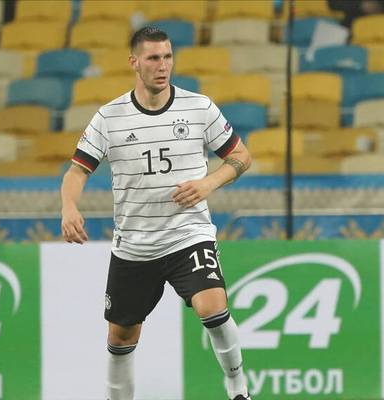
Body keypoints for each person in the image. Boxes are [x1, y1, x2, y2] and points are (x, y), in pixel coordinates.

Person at [60, 27, 253, 400]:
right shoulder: (109, 117)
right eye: (153, 58)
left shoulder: (199, 108)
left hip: (188, 235)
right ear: (134, 62)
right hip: (135, 246)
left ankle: (238, 386)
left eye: (167, 57)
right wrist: (69, 207)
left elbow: (241, 156)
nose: (162, 66)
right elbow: (77, 171)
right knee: (121, 336)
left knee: (212, 306)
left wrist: (209, 183)